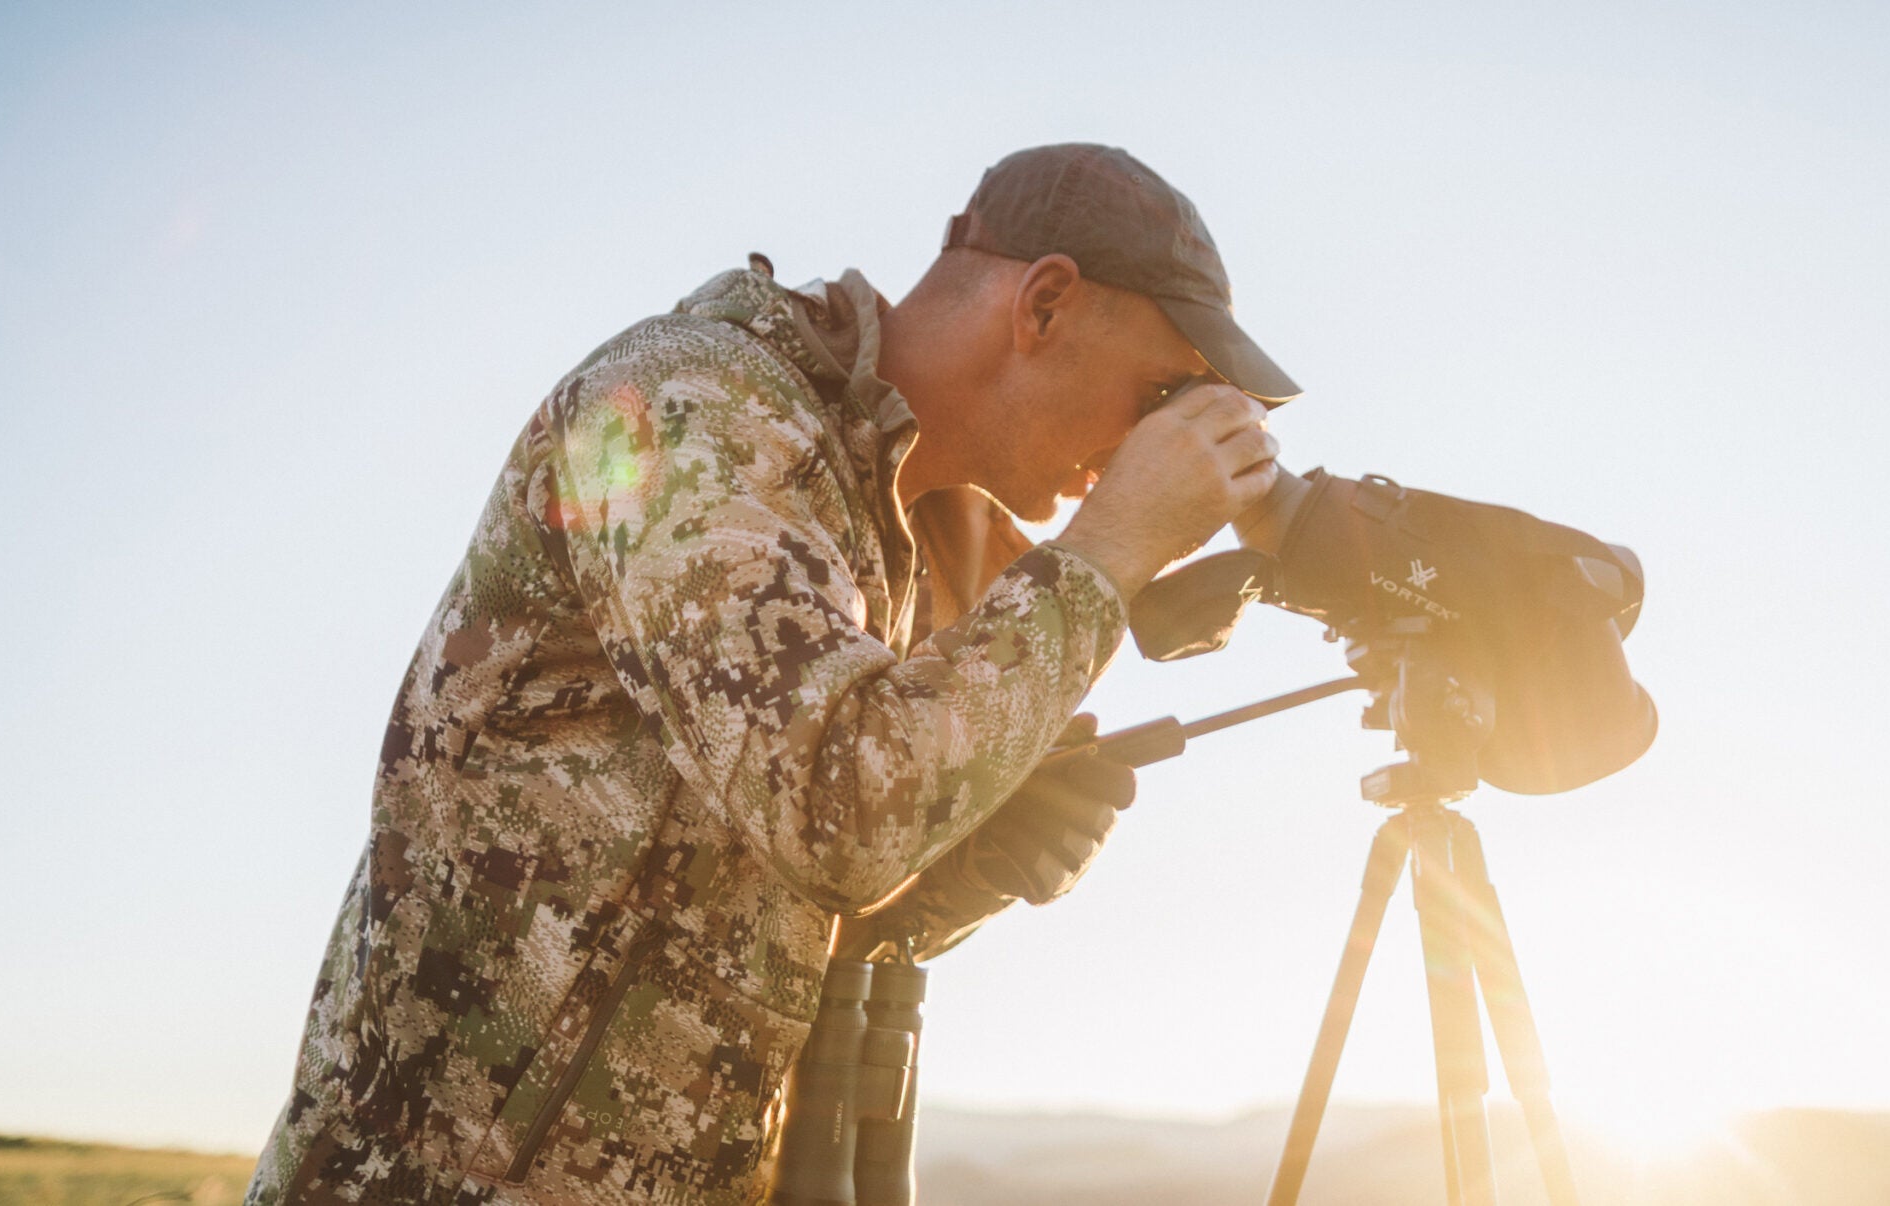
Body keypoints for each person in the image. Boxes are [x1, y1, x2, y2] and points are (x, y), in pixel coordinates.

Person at [246, 143, 1298, 1205]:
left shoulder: (883, 530)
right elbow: (835, 813)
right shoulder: (692, 405)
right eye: (1161, 391)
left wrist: (960, 870)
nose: (1147, 443)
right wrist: (1108, 553)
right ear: (1045, 305)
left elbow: (744, 904)